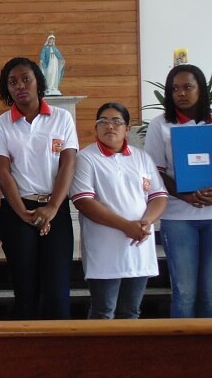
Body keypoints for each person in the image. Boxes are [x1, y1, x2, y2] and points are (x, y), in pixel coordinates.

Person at [0, 57, 78, 320]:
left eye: (26, 79)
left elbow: (68, 165)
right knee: (25, 291)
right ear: (7, 89)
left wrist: (51, 208)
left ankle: (59, 354)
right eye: (13, 82)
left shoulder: (62, 118)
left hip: (55, 209)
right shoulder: (1, 125)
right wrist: (23, 213)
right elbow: (2, 172)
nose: (20, 86)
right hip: (17, 213)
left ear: (38, 81)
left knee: (57, 290)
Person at [71, 103, 168, 319]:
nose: (110, 126)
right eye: (103, 121)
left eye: (116, 121)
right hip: (105, 249)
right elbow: (84, 201)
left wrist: (146, 222)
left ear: (127, 128)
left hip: (138, 247)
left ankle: (127, 355)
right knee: (103, 311)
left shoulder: (141, 157)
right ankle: (98, 354)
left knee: (131, 311)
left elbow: (158, 195)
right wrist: (126, 226)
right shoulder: (86, 158)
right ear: (96, 128)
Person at [144, 64, 212, 317]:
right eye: (174, 89)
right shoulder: (160, 125)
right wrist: (184, 195)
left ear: (200, 89)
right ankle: (180, 355)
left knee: (210, 295)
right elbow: (154, 172)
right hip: (178, 217)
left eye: (187, 87)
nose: (180, 93)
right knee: (184, 293)